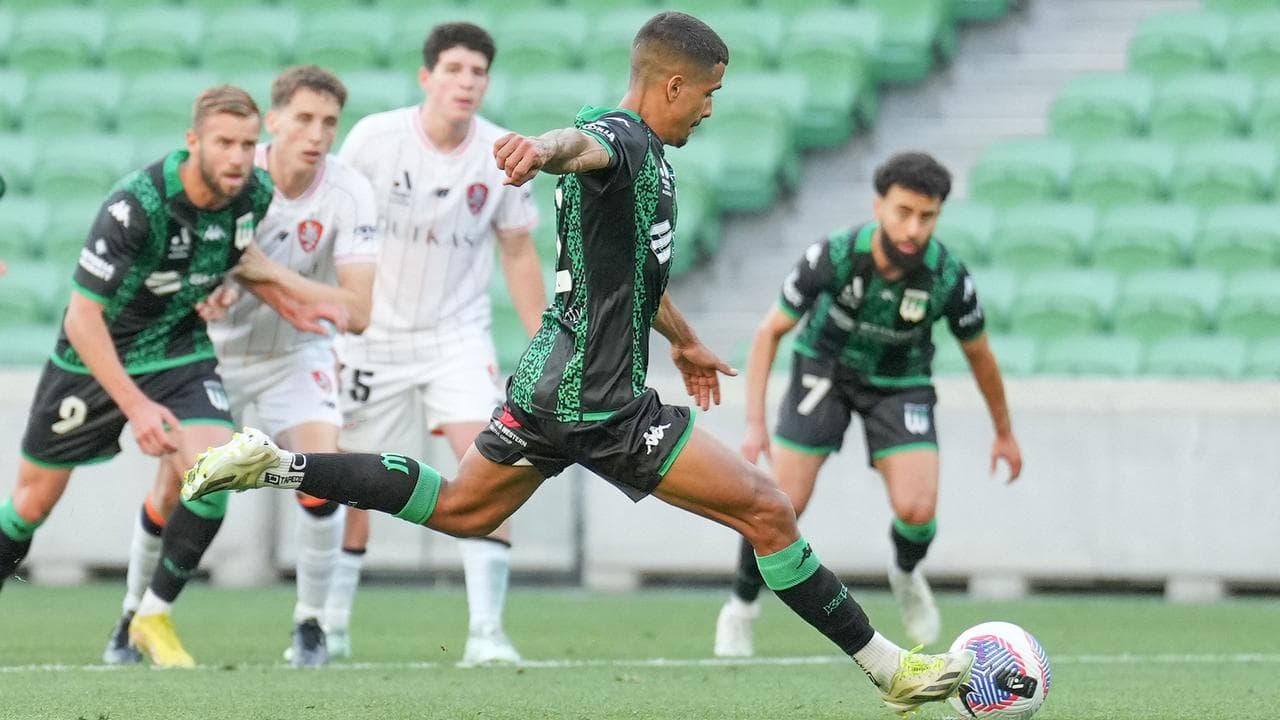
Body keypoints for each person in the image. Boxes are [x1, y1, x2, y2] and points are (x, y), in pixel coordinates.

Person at [183, 12, 975, 716]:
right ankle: (892, 670)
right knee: (767, 510)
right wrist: (540, 149)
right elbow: (577, 147)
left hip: (549, 383)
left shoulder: (640, 151)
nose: (710, 108)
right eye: (708, 93)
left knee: (462, 511)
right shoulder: (621, 140)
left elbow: (631, 271)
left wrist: (684, 339)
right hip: (600, 400)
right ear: (672, 85)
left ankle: (275, 464)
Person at [0, 86, 339, 669]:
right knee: (30, 505)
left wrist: (284, 304)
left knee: (217, 473)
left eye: (247, 144)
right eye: (224, 143)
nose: (238, 157)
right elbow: (82, 319)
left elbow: (228, 258)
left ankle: (151, 616)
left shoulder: (255, 195)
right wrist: (135, 407)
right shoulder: (136, 206)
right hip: (92, 358)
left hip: (177, 351)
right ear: (193, 142)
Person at [106, 66, 380, 668]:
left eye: (329, 122)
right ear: (273, 122)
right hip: (209, 353)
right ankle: (131, 616)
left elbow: (358, 312)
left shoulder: (350, 191)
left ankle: (311, 624)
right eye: (303, 119)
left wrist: (263, 271)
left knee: (322, 473)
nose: (316, 134)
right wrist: (220, 283)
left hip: (294, 353)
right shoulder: (233, 169)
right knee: (178, 487)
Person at [713, 152, 1024, 657]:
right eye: (904, 212)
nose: (914, 228)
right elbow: (769, 332)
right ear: (879, 206)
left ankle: (905, 573)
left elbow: (981, 356)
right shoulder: (834, 255)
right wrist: (755, 424)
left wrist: (1004, 433)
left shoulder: (947, 276)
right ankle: (741, 606)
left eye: (927, 217)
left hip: (901, 381)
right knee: (781, 503)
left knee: (917, 511)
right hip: (825, 371)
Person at [323, 22, 545, 666]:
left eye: (477, 72)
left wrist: (544, 343)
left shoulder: (502, 153)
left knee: (489, 470)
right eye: (453, 69)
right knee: (351, 482)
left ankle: (487, 634)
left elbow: (518, 250)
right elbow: (333, 219)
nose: (466, 82)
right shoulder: (375, 139)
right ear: (426, 77)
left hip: (456, 338)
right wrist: (328, 317)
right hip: (371, 337)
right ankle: (328, 628)